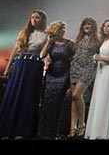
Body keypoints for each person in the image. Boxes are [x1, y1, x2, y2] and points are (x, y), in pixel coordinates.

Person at [0, 10, 48, 139]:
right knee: (15, 93)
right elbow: (15, 50)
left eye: (37, 17)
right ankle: (7, 128)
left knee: (28, 97)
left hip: (35, 66)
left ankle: (22, 130)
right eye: (32, 17)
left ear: (42, 20)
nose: (34, 19)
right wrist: (8, 68)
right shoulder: (24, 32)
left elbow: (44, 54)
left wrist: (50, 41)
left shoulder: (46, 35)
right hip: (21, 64)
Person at [38, 20, 76, 139]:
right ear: (55, 30)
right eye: (60, 29)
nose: (63, 31)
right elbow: (41, 55)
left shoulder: (70, 43)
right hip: (51, 75)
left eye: (64, 29)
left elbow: (76, 60)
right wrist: (49, 41)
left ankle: (53, 133)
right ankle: (42, 132)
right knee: (46, 103)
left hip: (64, 75)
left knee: (57, 104)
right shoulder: (51, 43)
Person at [85, 19, 109, 139]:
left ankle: (100, 133)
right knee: (97, 99)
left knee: (104, 100)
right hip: (101, 71)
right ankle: (93, 131)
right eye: (104, 26)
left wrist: (100, 58)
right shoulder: (103, 41)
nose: (106, 28)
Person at [68, 17, 101, 139]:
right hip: (74, 68)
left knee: (77, 95)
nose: (87, 26)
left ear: (94, 27)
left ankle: (82, 124)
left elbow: (106, 51)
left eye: (89, 24)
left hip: (88, 68)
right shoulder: (78, 39)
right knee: (73, 98)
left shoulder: (98, 40)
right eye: (85, 24)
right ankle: (73, 127)